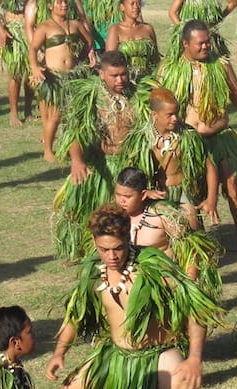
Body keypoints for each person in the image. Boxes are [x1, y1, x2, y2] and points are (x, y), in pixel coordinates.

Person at [45, 204, 230, 389]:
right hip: (116, 356)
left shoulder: (153, 266)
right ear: (95, 243)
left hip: (159, 355)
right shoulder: (94, 270)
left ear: (128, 239)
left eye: (118, 248)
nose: (112, 256)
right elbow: (75, 314)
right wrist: (59, 352)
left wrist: (195, 358)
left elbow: (196, 307)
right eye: (105, 249)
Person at [158, 20, 237, 251]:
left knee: (234, 185)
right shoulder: (169, 70)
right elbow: (159, 105)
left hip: (221, 136)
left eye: (208, 41)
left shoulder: (220, 65)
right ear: (185, 43)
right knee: (194, 191)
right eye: (200, 43)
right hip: (190, 140)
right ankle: (200, 242)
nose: (206, 46)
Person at [51, 50, 137, 262]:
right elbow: (74, 130)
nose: (120, 80)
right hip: (100, 163)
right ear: (101, 74)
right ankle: (83, 251)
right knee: (89, 210)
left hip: (128, 163)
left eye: (123, 74)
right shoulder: (89, 97)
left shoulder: (138, 95)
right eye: (114, 76)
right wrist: (78, 161)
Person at [113, 166, 223, 299]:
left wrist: (189, 285)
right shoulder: (112, 218)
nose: (121, 200)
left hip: (166, 287)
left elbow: (191, 250)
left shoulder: (162, 216)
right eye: (118, 195)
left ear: (143, 195)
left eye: (127, 196)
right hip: (128, 289)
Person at [121, 87, 220, 230]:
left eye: (176, 113)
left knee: (192, 221)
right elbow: (129, 174)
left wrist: (211, 199)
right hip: (157, 193)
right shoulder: (141, 140)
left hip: (184, 191)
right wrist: (146, 192)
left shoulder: (188, 135)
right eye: (170, 114)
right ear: (155, 114)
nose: (175, 118)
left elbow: (210, 167)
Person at [27, 0, 94, 163]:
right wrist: (35, 67)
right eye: (59, 2)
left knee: (72, 116)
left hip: (72, 77)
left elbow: (89, 41)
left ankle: (71, 148)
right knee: (54, 116)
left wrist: (83, 57)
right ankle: (48, 150)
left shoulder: (75, 24)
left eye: (65, 2)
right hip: (54, 77)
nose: (63, 5)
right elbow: (33, 49)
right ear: (50, 6)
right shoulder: (45, 27)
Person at [0, 0, 35, 126]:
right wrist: (1, 29)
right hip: (13, 31)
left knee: (31, 72)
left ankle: (28, 111)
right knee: (15, 73)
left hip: (31, 30)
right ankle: (14, 113)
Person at [105, 0, 159, 81]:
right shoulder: (115, 29)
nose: (136, 6)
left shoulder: (148, 28)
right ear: (122, 7)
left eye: (138, 3)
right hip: (124, 81)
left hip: (147, 79)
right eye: (132, 3)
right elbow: (110, 60)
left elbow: (155, 58)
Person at [167, 0, 237, 58]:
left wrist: (217, 19)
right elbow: (172, 12)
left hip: (208, 38)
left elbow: (233, 3)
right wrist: (185, 30)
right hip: (189, 38)